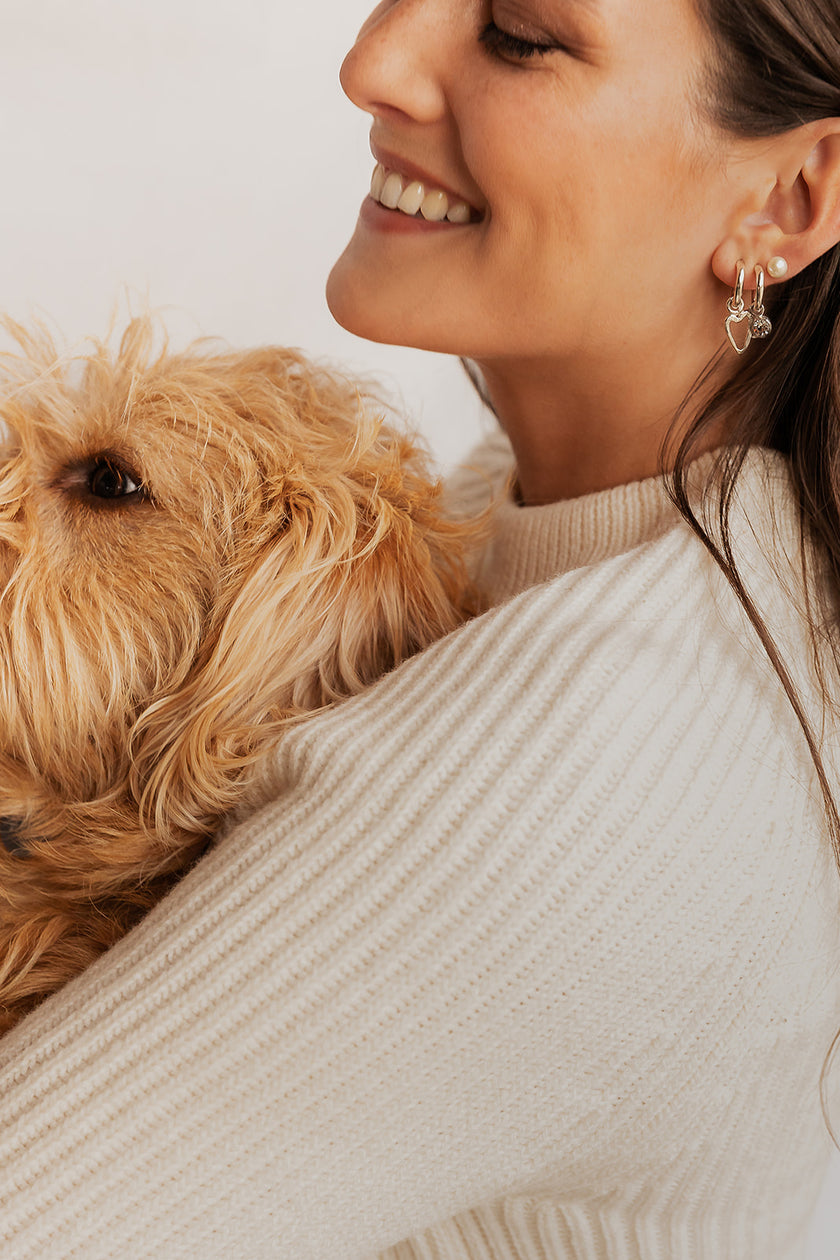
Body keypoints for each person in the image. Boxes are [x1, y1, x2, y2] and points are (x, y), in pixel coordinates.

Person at [0, 0, 839, 1256]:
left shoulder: (579, 775)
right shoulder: (644, 519)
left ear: (789, 198)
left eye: (517, 32)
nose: (372, 61)